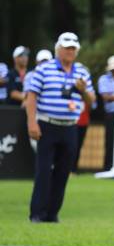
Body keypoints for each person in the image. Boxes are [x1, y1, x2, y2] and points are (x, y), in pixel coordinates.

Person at [25, 32, 96, 223]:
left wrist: (83, 91)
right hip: (47, 125)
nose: (70, 51)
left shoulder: (82, 71)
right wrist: (32, 122)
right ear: (58, 49)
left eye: (73, 48)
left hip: (70, 127)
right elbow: (31, 97)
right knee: (43, 171)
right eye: (67, 47)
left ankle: (52, 213)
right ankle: (37, 213)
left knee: (63, 171)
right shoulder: (44, 70)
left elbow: (92, 101)